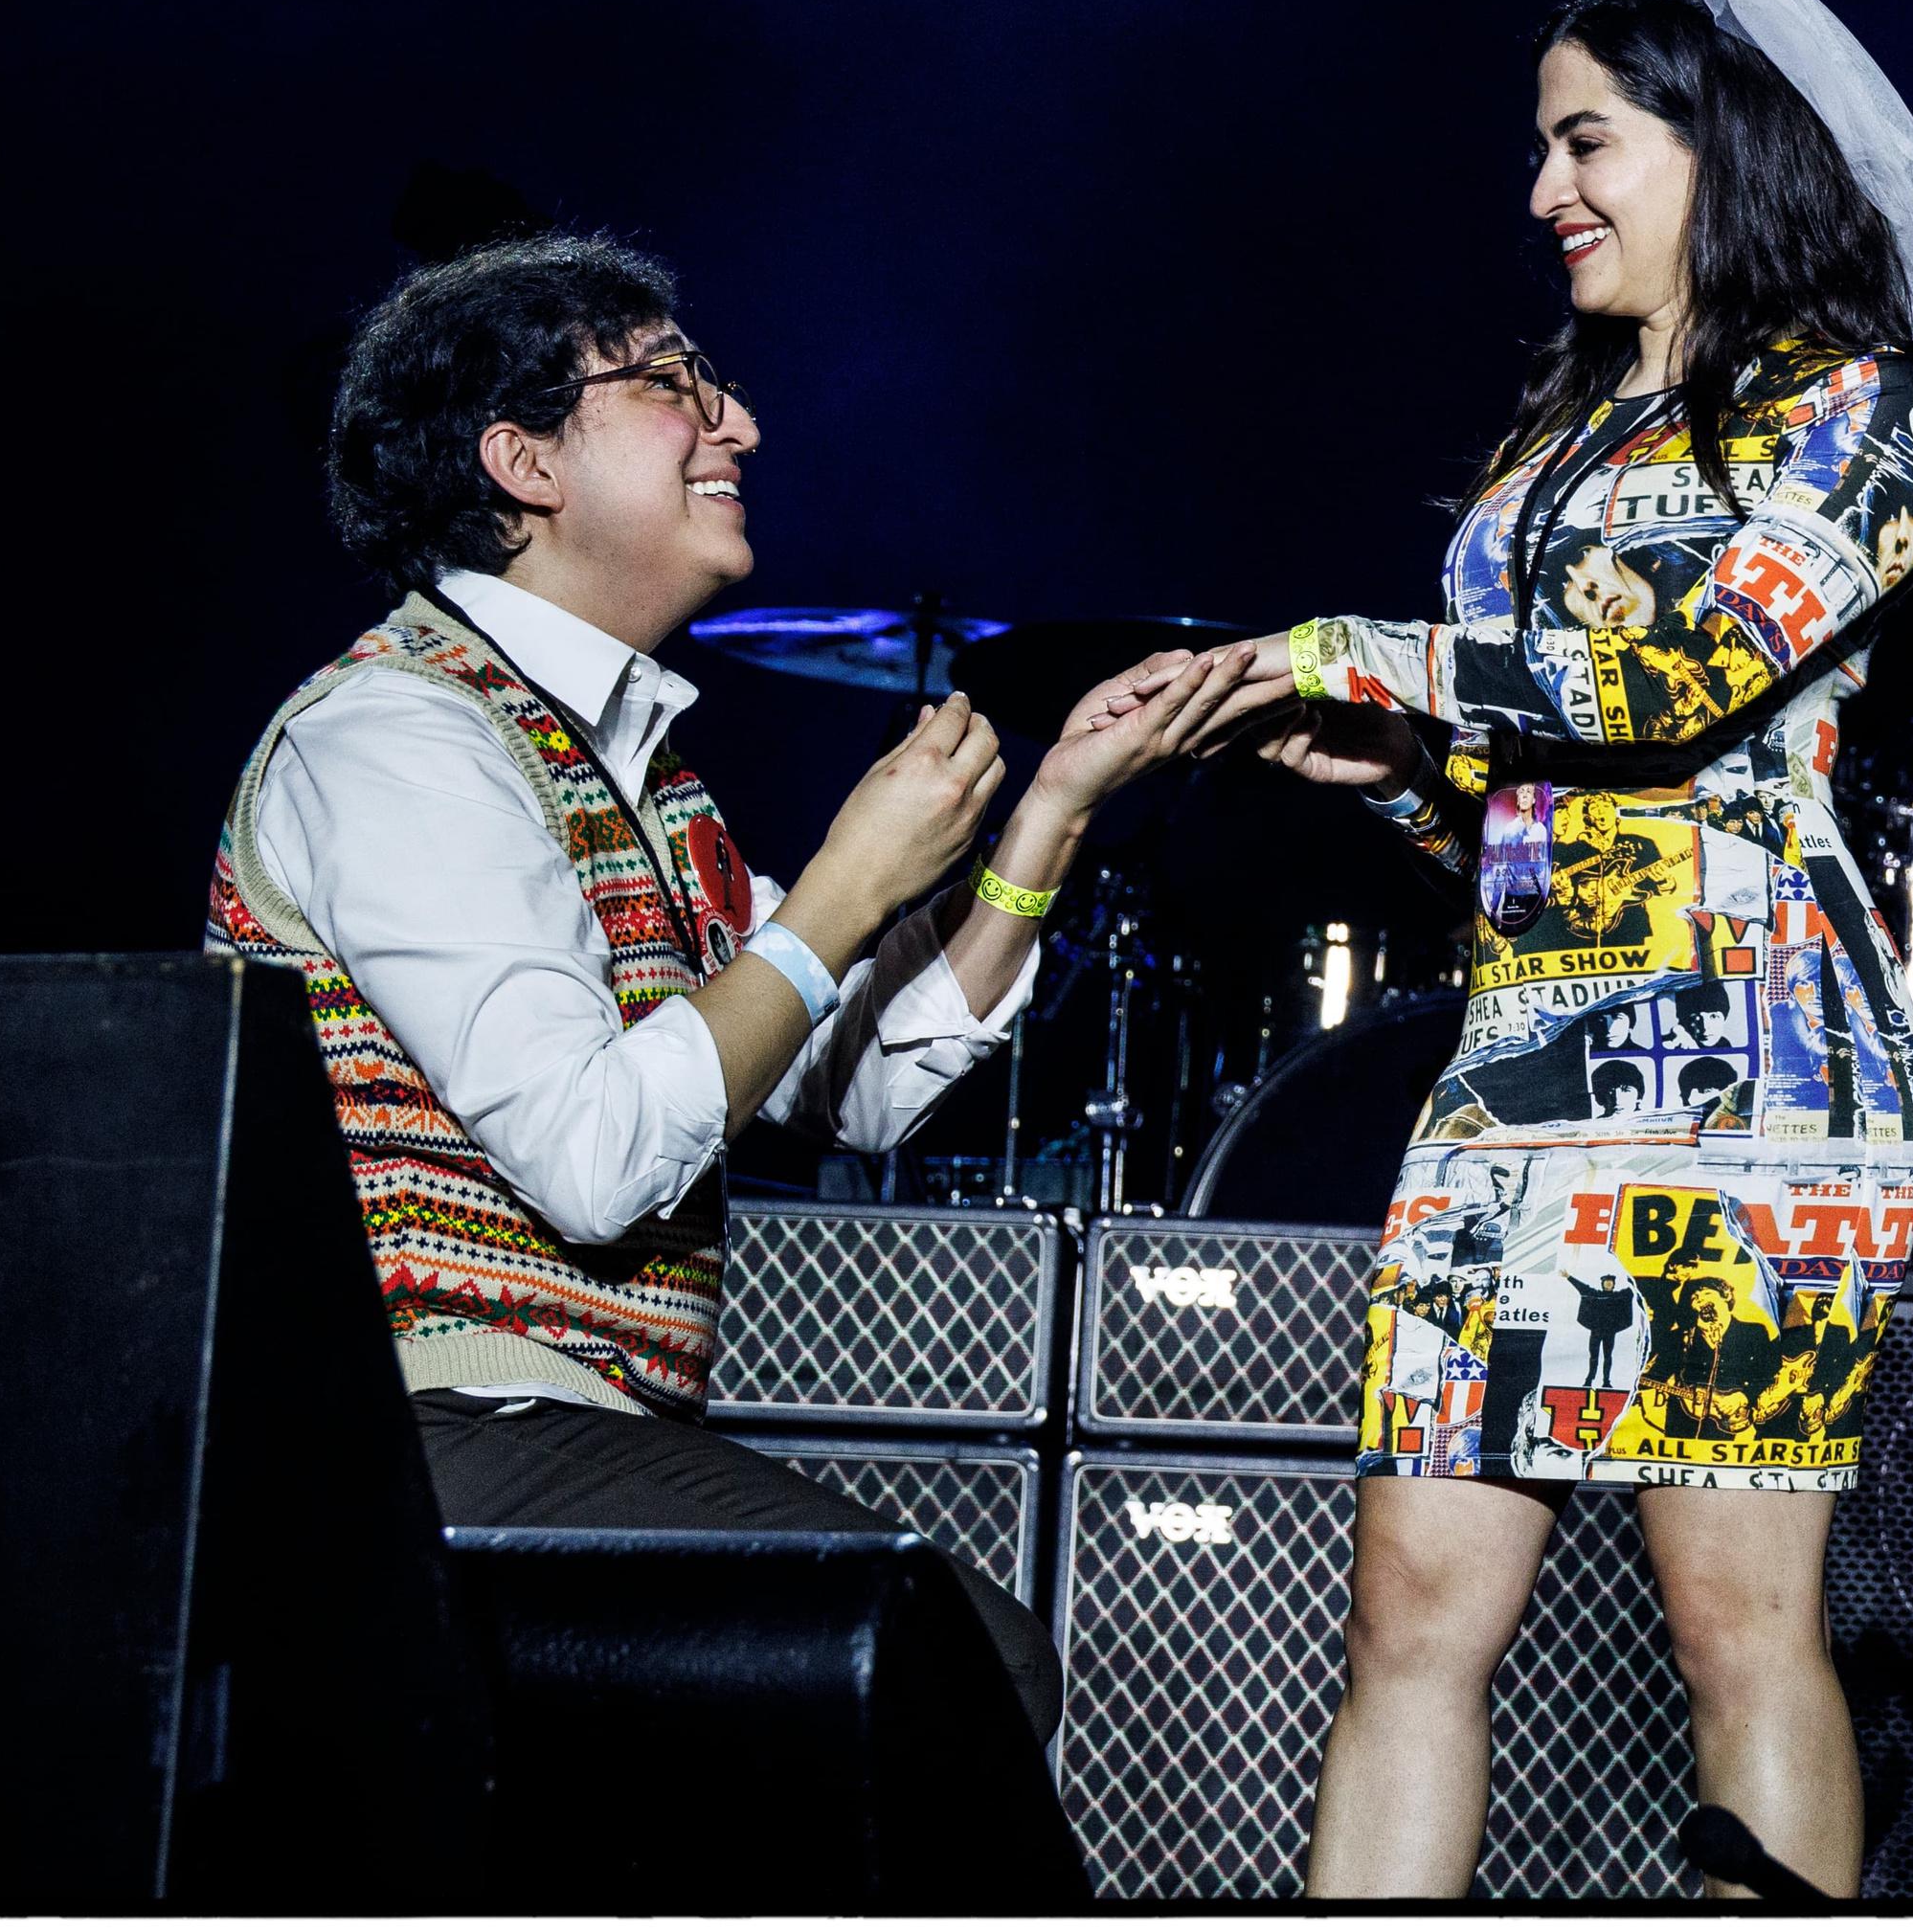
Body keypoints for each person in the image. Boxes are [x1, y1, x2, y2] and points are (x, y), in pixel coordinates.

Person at [205, 232, 1235, 1745]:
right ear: (523, 459)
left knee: (934, 1656)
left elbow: (863, 1087)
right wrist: (838, 892)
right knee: (957, 1652)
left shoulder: (640, 777)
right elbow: (598, 1155)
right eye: (674, 382)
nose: (737, 423)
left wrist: (1049, 816)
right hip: (404, 1427)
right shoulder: (397, 737)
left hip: (559, 1430)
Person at [1176, 0, 1913, 1898]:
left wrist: (1355, 655)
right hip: (1517, 1085)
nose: (1549, 193)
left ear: (1719, 142)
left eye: (1587, 140)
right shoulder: (1567, 437)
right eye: (1545, 150)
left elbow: (1671, 693)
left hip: (1758, 1080)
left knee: (1736, 1629)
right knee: (1408, 1625)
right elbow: (1557, 797)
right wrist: (1417, 793)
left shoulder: (1866, 408)